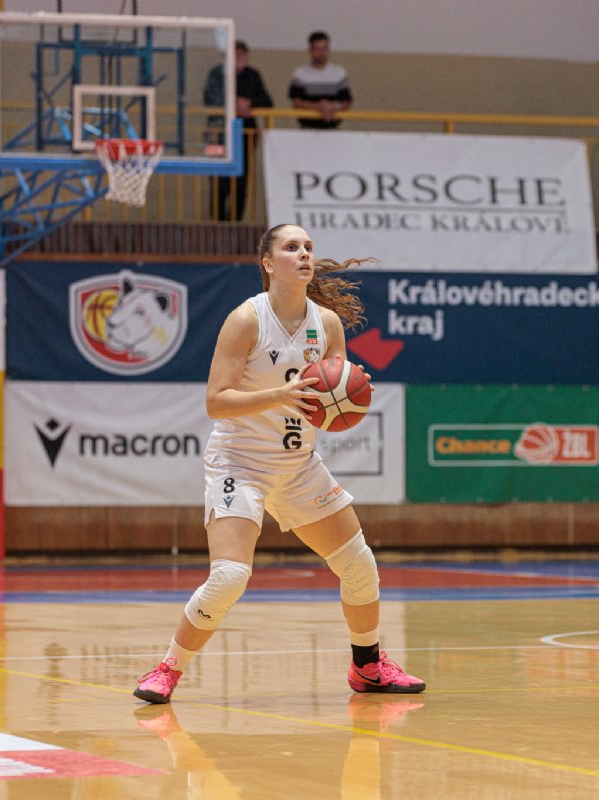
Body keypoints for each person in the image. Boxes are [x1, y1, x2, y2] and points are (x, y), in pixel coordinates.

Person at [134, 223, 425, 704]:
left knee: (359, 566)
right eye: (292, 247)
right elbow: (216, 402)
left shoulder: (327, 324)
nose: (304, 254)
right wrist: (281, 395)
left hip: (297, 465)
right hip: (239, 462)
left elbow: (329, 403)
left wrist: (349, 393)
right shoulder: (246, 320)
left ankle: (368, 667)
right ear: (269, 263)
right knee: (230, 577)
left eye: (308, 247)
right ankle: (167, 669)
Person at [204, 40, 273, 221]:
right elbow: (209, 98)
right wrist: (233, 103)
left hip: (244, 136)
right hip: (217, 135)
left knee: (240, 182)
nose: (239, 58)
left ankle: (236, 222)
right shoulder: (216, 73)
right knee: (218, 182)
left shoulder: (252, 75)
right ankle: (217, 222)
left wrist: (249, 103)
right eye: (235, 54)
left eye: (242, 54)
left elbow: (267, 101)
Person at [288, 31, 352, 129]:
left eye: (325, 49)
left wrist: (332, 106)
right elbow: (296, 103)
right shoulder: (300, 73)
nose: (321, 53)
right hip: (307, 127)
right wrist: (318, 106)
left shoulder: (339, 73)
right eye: (317, 49)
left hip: (332, 128)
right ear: (310, 50)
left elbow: (346, 102)